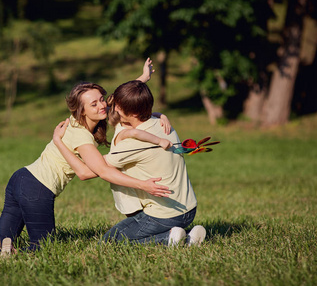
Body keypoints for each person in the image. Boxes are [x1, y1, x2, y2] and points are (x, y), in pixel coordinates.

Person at [0, 60, 172, 256]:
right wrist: (58, 142)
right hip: (38, 188)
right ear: (81, 109)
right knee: (43, 247)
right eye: (94, 103)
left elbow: (124, 101)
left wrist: (142, 80)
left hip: (20, 179)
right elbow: (88, 173)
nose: (102, 106)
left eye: (101, 99)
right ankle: (15, 255)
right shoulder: (81, 137)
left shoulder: (83, 121)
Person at [53, 80, 206, 247]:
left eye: (118, 107)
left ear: (131, 113)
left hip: (164, 216)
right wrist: (158, 110)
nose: (113, 108)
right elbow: (125, 115)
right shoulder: (164, 126)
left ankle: (168, 238)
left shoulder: (131, 144)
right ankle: (189, 237)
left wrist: (58, 141)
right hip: (189, 209)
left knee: (109, 242)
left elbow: (87, 171)